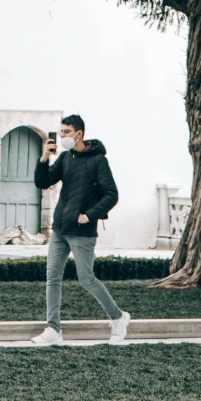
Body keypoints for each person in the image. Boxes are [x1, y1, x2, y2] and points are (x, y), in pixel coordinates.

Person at [30, 113, 131, 347]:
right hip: (60, 229)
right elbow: (43, 182)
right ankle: (53, 328)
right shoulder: (65, 158)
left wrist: (88, 216)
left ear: (79, 134)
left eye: (66, 132)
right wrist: (44, 158)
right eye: (60, 131)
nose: (62, 135)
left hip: (82, 231)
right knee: (52, 277)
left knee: (86, 279)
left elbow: (111, 194)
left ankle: (118, 317)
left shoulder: (98, 161)